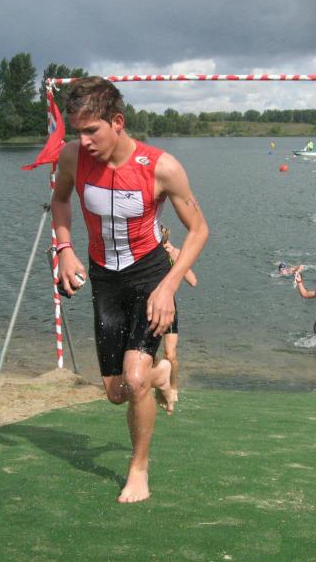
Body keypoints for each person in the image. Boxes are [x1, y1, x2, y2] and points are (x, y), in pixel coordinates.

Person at [51, 77, 209, 504]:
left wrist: (168, 286)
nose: (83, 141)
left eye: (91, 131)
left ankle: (138, 469)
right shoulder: (72, 158)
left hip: (149, 277)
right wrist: (65, 249)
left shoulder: (161, 167)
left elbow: (199, 230)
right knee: (117, 393)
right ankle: (161, 374)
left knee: (134, 380)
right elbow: (60, 201)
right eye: (77, 131)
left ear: (117, 122)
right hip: (105, 278)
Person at [158, 224, 197, 413]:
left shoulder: (174, 252)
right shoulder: (143, 255)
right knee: (147, 355)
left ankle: (173, 388)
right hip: (146, 307)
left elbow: (193, 281)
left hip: (168, 307)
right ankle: (157, 386)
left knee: (170, 355)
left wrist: (173, 253)